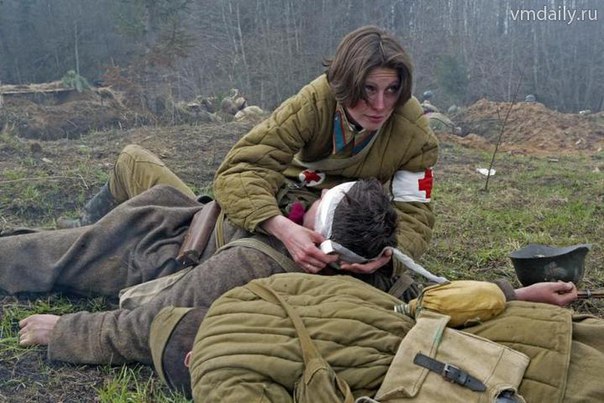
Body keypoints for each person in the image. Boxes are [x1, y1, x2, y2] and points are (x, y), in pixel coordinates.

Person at [58, 25, 438, 277]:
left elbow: (415, 212)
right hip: (276, 208)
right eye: (369, 90)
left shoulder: (413, 132)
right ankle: (87, 226)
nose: (380, 105)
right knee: (139, 168)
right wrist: (280, 226)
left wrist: (386, 258)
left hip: (341, 228)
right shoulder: (314, 103)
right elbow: (240, 170)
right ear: (344, 84)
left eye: (392, 90)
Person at [10, 179, 405, 364]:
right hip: (195, 213)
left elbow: (156, 320)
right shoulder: (376, 264)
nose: (319, 193)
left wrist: (67, 331)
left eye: (325, 200)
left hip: (161, 247)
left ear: (325, 247)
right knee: (134, 161)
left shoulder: (254, 263)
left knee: (29, 255)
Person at [148, 274, 594, 402]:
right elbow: (408, 307)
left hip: (500, 387)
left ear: (188, 360)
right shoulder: (260, 289)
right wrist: (514, 293)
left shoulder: (212, 376)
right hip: (524, 330)